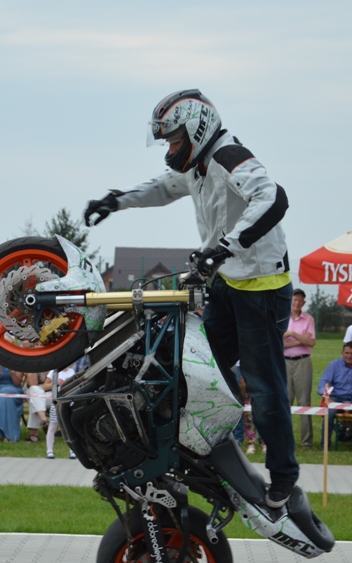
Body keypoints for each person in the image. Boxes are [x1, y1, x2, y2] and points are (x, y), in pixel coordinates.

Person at [83, 89, 299, 507]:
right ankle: (206, 445)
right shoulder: (197, 166)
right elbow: (162, 188)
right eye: (166, 142)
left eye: (174, 139)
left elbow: (273, 197)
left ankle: (284, 476)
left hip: (263, 289)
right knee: (195, 367)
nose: (170, 150)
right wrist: (116, 200)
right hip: (228, 283)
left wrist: (224, 247)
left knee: (264, 387)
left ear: (197, 129)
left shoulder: (229, 156)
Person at [284, 288, 316, 449]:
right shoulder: (283, 317)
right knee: (285, 401)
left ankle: (306, 442)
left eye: (300, 300)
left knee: (304, 401)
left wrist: (292, 334)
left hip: (303, 362)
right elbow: (279, 341)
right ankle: (285, 439)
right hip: (284, 362)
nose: (297, 302)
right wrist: (300, 340)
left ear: (304, 302)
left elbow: (311, 342)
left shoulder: (309, 319)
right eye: (294, 299)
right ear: (291, 300)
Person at [45, 363, 77, 459]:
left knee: (70, 426)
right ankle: (49, 451)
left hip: (68, 401)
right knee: (52, 426)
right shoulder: (54, 372)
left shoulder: (72, 372)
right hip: (56, 401)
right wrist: (56, 383)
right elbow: (45, 386)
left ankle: (73, 451)